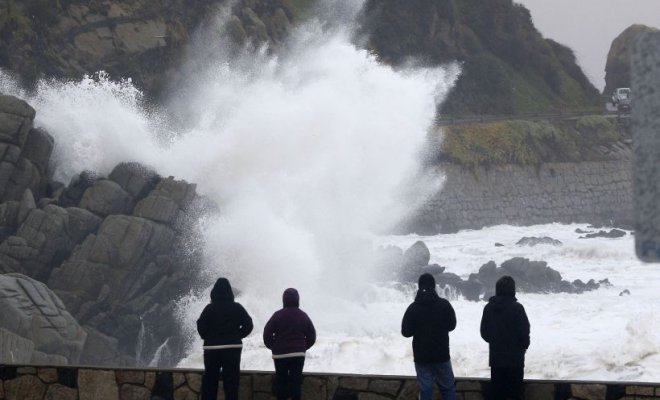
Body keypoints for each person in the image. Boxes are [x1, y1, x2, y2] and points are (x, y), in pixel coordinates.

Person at [401, 273, 457, 400]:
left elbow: (405, 332)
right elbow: (452, 325)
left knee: (425, 389)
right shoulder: (444, 305)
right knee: (448, 388)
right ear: (434, 286)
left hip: (422, 356)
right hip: (441, 354)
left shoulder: (413, 308)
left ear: (419, 287)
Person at [197, 277, 253, 400]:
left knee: (210, 382)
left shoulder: (209, 308)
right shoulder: (236, 307)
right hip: (232, 348)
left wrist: (207, 336)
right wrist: (238, 335)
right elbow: (249, 324)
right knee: (231, 383)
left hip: (212, 348)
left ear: (214, 292)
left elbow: (200, 325)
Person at [480, 276, 530, 400]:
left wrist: (495, 341)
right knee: (515, 394)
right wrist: (523, 347)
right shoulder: (517, 308)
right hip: (515, 360)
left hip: (496, 359)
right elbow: (524, 332)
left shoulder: (489, 308)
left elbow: (484, 332)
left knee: (497, 394)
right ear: (513, 290)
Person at [263, 288, 316, 400]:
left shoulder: (277, 315)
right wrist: (302, 347)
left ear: (284, 300)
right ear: (298, 300)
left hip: (280, 355)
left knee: (281, 383)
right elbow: (312, 336)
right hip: (298, 355)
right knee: (296, 383)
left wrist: (273, 346)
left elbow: (267, 333)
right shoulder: (303, 315)